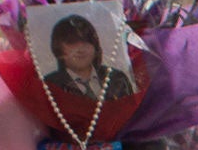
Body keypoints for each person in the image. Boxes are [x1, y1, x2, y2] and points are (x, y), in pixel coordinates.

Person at [39, 10, 135, 142]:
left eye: (86, 42)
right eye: (72, 42)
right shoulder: (49, 85)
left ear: (95, 46)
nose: (80, 49)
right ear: (59, 49)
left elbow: (132, 121)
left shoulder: (117, 78)